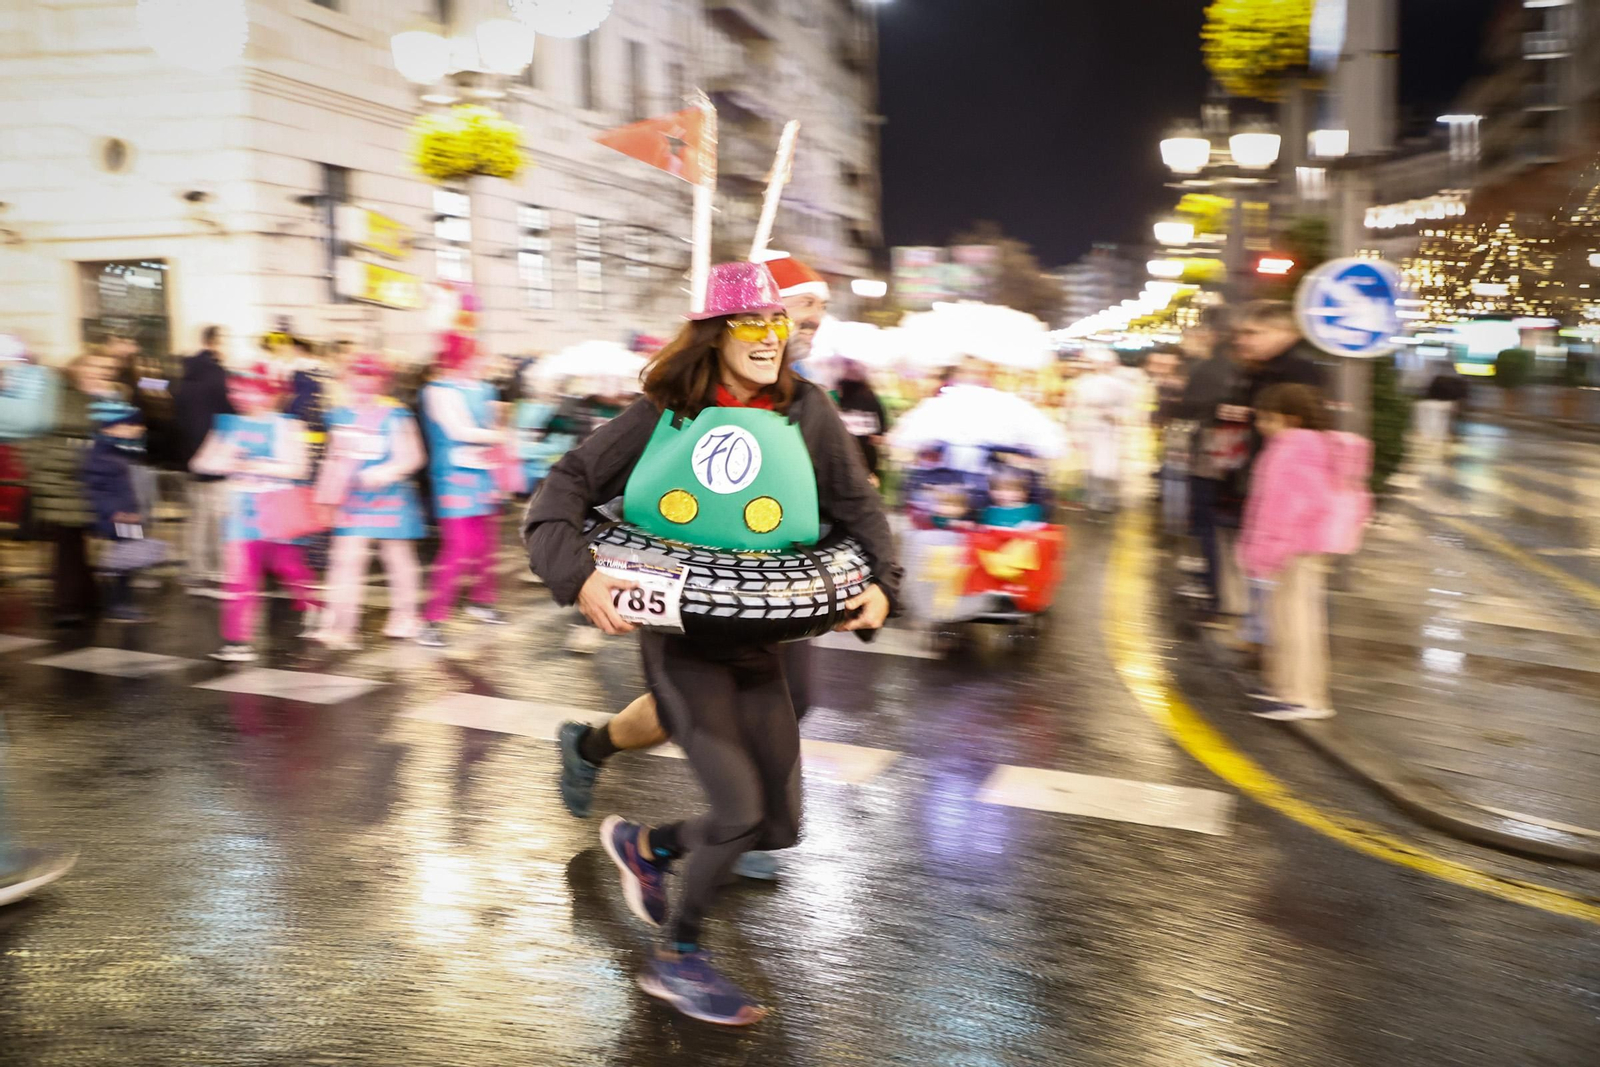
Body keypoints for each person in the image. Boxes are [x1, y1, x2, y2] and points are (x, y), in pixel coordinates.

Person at [524, 261, 899, 1025]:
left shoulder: (808, 411)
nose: (769, 336)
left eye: (777, 323)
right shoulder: (667, 412)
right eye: (750, 323)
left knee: (778, 824)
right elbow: (563, 486)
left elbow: (860, 506)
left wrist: (882, 583)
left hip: (763, 647)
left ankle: (648, 846)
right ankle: (678, 960)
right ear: (716, 332)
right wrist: (580, 577)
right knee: (735, 808)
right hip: (685, 647)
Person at [1238, 384, 1372, 721]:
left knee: (1294, 621)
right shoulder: (1317, 446)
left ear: (1291, 418)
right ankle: (1288, 689)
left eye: (1269, 418)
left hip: (1291, 547)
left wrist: (1265, 550)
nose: (1261, 425)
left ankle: (1302, 697)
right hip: (1307, 546)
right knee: (1293, 618)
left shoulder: (1291, 449)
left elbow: (1281, 508)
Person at [190, 364, 321, 663]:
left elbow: (299, 468)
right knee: (240, 574)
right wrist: (225, 459)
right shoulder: (227, 425)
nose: (245, 397)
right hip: (240, 509)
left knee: (289, 567)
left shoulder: (288, 426)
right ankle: (237, 641)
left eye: (254, 390)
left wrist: (253, 465)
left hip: (278, 507)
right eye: (240, 390)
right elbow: (200, 463)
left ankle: (313, 604)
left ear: (271, 393)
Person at [312, 354, 426, 649]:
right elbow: (333, 459)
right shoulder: (338, 415)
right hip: (353, 500)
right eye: (357, 376)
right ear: (347, 380)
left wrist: (385, 472)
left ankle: (406, 616)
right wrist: (325, 497)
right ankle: (340, 625)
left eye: (370, 377)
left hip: (391, 499)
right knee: (345, 560)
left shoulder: (396, 415)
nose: (363, 383)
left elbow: (413, 456)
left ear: (381, 382)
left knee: (398, 560)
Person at [417, 332, 508, 648]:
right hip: (453, 477)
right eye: (474, 356)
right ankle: (431, 619)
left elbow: (495, 425)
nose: (481, 362)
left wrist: (497, 463)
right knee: (457, 549)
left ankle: (482, 601)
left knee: (485, 547)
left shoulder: (486, 389)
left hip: (482, 475)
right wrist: (496, 437)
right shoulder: (437, 391)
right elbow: (457, 430)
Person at [20, 352, 100, 626]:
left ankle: (87, 598)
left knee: (75, 543)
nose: (95, 376)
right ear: (75, 371)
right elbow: (37, 442)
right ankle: (67, 605)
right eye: (89, 370)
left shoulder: (83, 398)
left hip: (77, 484)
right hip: (58, 484)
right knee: (67, 545)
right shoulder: (57, 398)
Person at [81, 397, 160, 622]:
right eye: (132, 425)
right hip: (118, 516)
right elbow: (97, 488)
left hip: (129, 515)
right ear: (112, 427)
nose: (139, 429)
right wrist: (114, 511)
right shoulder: (101, 455)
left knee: (129, 558)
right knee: (124, 559)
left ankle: (122, 600)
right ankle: (118, 602)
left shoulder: (120, 451)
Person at [175, 325, 235, 591]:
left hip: (191, 457)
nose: (229, 347)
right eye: (226, 341)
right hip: (217, 457)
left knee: (199, 518)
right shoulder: (219, 377)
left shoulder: (186, 376)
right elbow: (231, 415)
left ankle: (196, 570)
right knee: (221, 519)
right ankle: (219, 569)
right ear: (214, 343)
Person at [832, 358, 889, 482]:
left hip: (863, 448)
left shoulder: (867, 394)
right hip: (847, 448)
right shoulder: (838, 392)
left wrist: (879, 433)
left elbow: (879, 417)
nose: (852, 369)